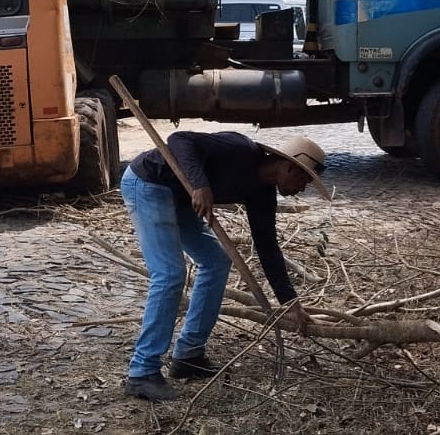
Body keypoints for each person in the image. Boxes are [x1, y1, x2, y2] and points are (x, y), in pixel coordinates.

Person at [119, 131, 327, 402]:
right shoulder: (240, 149)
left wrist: (290, 302)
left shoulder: (262, 195)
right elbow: (180, 140)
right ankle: (142, 372)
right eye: (304, 180)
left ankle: (189, 355)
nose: (303, 189)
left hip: (180, 197)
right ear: (289, 166)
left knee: (216, 262)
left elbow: (268, 249)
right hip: (149, 182)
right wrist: (200, 185)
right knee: (170, 274)